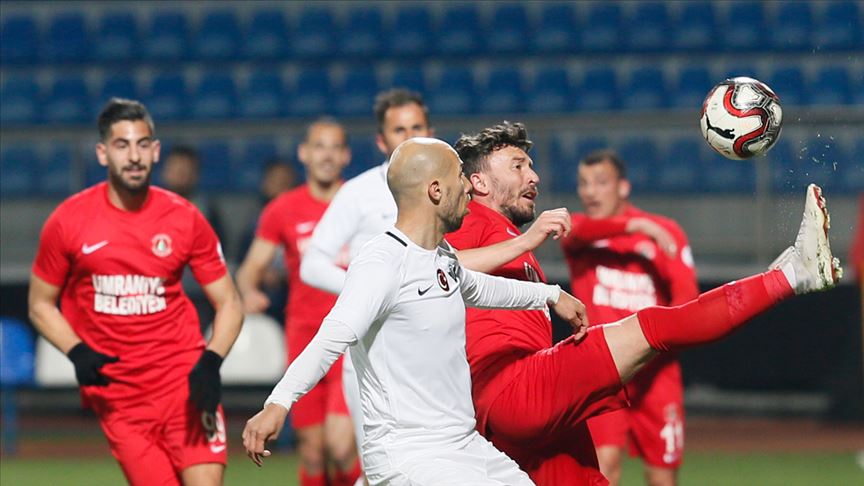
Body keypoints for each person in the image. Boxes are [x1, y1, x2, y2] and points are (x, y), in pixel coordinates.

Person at [445, 121, 842, 486]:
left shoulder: (508, 236)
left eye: (531, 166)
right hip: (513, 387)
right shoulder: (470, 219)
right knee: (654, 326)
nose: (533, 176)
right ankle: (794, 274)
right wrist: (528, 243)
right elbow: (438, 266)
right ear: (479, 181)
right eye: (517, 166)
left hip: (523, 407)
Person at [243, 137, 589, 485]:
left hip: (463, 445)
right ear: (435, 190)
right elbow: (331, 337)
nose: (468, 187)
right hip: (410, 454)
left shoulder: (439, 256)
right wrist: (279, 402)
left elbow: (480, 287)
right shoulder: (383, 261)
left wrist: (550, 294)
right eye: (459, 177)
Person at [28, 98, 244, 485]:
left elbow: (229, 302)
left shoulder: (185, 218)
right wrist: (76, 351)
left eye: (143, 145)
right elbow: (40, 305)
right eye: (121, 145)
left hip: (184, 384)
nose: (133, 156)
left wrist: (211, 361)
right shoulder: (68, 221)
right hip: (120, 397)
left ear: (155, 151)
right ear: (102, 153)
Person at [561, 149, 699, 486]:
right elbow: (579, 232)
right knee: (602, 469)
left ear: (623, 187)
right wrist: (634, 225)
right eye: (583, 183)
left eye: (600, 182)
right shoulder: (578, 231)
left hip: (656, 374)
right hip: (602, 374)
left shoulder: (665, 232)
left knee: (663, 478)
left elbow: (687, 300)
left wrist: (657, 341)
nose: (590, 191)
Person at [235, 119, 360, 486]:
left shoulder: (361, 202)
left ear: (346, 155)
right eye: (319, 146)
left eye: (335, 147)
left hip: (352, 338)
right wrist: (249, 291)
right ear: (304, 153)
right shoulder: (282, 209)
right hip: (305, 338)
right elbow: (250, 268)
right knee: (312, 450)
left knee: (341, 445)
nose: (327, 155)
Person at [236, 159, 297, 325]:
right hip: (263, 294)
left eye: (285, 181)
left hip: (294, 292)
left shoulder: (302, 216)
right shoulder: (254, 219)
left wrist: (283, 276)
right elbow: (243, 262)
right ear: (265, 183)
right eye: (275, 180)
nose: (280, 186)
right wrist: (260, 277)